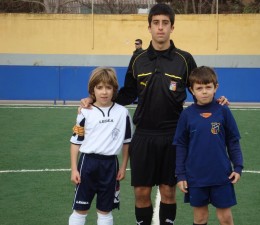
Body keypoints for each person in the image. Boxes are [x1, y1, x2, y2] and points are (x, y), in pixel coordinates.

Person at [80, 3, 228, 225]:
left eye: (165, 23)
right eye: (156, 23)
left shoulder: (184, 59)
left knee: (169, 190)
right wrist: (93, 99)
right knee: (141, 192)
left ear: (172, 27)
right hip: (144, 135)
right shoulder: (138, 59)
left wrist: (217, 101)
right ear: (149, 27)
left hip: (174, 135)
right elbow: (127, 93)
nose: (161, 28)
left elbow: (199, 88)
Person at [173, 66, 243, 225]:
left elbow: (233, 141)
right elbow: (181, 146)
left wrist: (238, 166)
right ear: (192, 90)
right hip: (196, 176)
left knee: (225, 218)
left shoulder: (223, 111)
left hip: (221, 175)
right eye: (199, 88)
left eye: (208, 87)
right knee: (200, 217)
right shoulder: (187, 115)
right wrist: (181, 175)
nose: (204, 91)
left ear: (215, 87)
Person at [69, 67, 133, 225]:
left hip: (111, 165)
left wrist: (123, 167)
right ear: (92, 90)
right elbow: (75, 142)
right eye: (99, 87)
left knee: (105, 210)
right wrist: (74, 169)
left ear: (114, 90)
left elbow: (126, 143)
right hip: (87, 164)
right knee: (80, 209)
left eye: (108, 87)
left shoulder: (122, 113)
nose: (104, 92)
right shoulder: (85, 112)